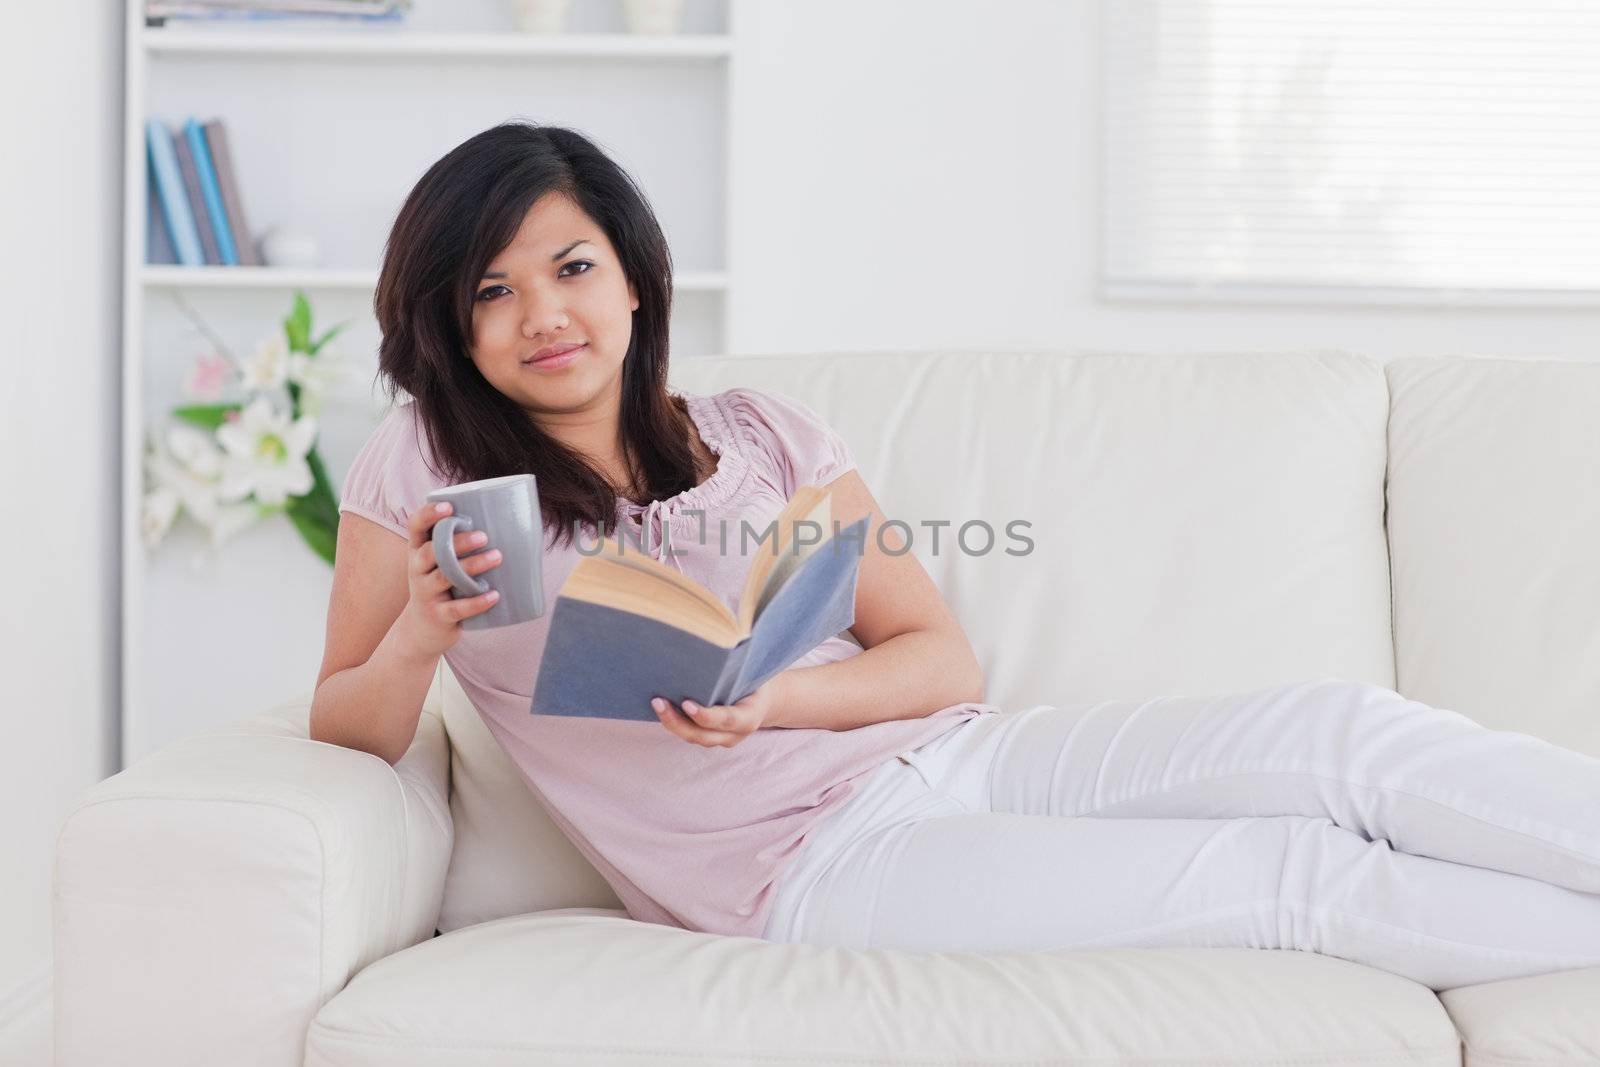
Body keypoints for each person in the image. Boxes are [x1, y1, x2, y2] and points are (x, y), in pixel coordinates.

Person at [312, 121, 1600, 993]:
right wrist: (425, 632)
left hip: (956, 756)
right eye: (491, 290)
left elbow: (937, 658)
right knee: (1289, 880)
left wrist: (779, 696)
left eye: (572, 267)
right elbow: (344, 725)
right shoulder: (424, 467)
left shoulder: (763, 438)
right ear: (450, 324)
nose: (544, 314)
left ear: (635, 281)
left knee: (1338, 734)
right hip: (809, 869)